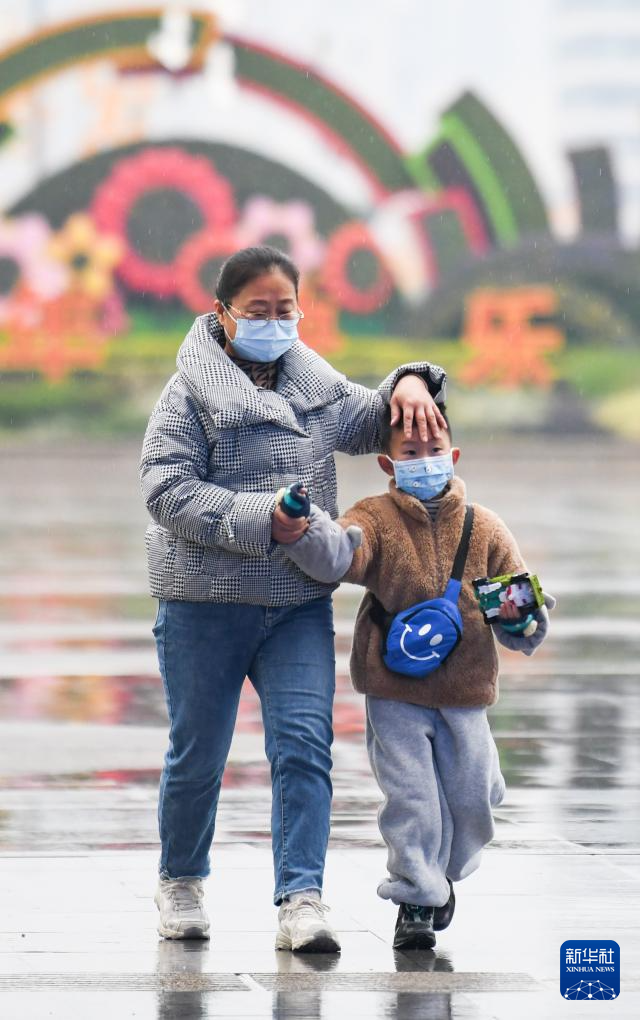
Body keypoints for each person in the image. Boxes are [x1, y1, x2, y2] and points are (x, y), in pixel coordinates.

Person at [139, 244, 448, 951]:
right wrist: (261, 519)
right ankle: (181, 881)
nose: (275, 323)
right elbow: (165, 489)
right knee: (199, 753)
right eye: (258, 312)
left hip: (295, 601)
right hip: (203, 603)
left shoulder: (315, 384)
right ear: (223, 315)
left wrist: (409, 382)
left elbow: (374, 418)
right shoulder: (189, 393)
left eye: (286, 310)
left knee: (305, 746)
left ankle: (301, 898)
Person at [280, 403, 555, 949]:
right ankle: (416, 901)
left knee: (471, 800)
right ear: (389, 462)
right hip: (394, 690)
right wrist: (303, 528)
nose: (423, 461)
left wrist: (527, 620)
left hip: (465, 692)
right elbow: (337, 555)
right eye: (410, 453)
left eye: (433, 452)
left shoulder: (486, 528)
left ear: (452, 456)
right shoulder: (375, 518)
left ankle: (442, 872)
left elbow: (521, 608)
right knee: (412, 800)